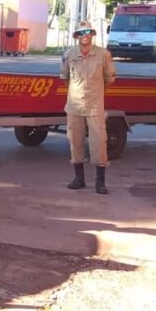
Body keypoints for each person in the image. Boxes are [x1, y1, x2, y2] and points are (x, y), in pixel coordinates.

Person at [60, 20, 117, 194]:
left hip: (94, 107)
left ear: (92, 35)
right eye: (82, 32)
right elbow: (65, 78)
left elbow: (109, 79)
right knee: (75, 142)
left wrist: (96, 93)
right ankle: (79, 179)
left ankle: (100, 182)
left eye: (89, 32)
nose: (86, 35)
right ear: (77, 36)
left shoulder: (103, 55)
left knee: (99, 142)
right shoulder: (69, 54)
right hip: (74, 106)